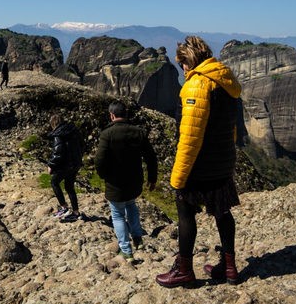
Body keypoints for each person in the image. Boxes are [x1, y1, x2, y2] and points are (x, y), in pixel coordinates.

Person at [156, 36, 242, 288]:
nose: (182, 71)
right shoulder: (225, 80)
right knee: (222, 212)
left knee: (185, 214)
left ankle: (184, 270)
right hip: (223, 161)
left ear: (190, 61)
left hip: (200, 165)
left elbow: (189, 138)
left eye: (183, 65)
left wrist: (178, 177)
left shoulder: (197, 85)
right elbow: (232, 128)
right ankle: (230, 268)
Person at [94, 100, 158, 262]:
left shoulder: (107, 134)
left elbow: (100, 160)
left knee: (117, 215)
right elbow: (151, 158)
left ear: (112, 115)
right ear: (126, 114)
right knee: (131, 204)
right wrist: (152, 179)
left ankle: (126, 250)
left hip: (115, 182)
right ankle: (137, 238)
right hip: (134, 180)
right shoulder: (139, 132)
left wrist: (103, 175)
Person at [47, 113, 85, 222]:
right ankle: (76, 213)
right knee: (69, 187)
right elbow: (82, 145)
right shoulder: (74, 130)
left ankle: (63, 208)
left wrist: (51, 165)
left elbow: (58, 153)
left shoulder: (58, 134)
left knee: (54, 182)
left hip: (66, 165)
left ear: (53, 124)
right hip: (75, 163)